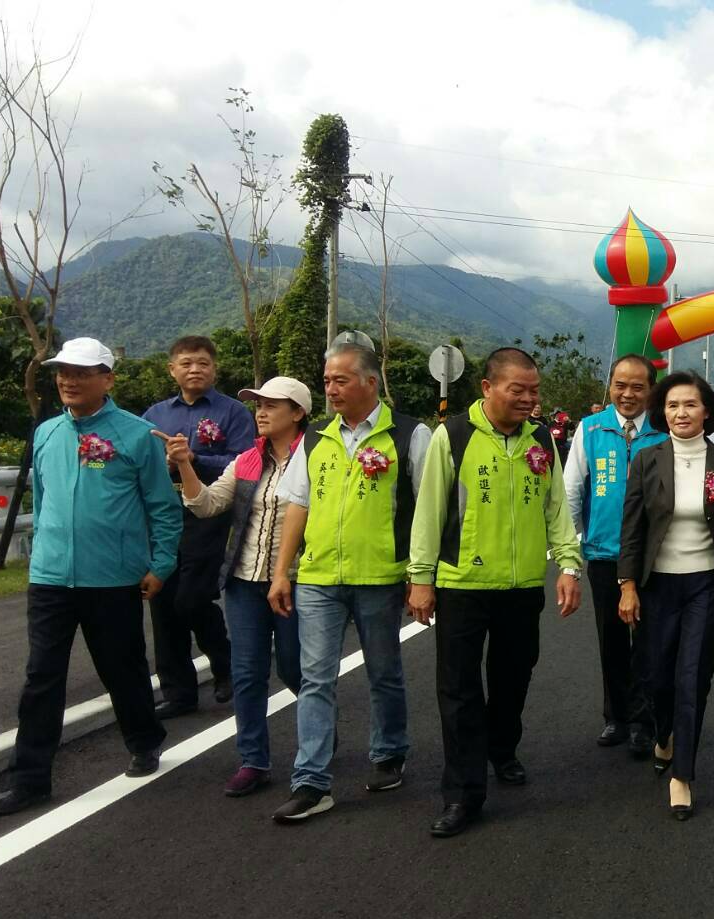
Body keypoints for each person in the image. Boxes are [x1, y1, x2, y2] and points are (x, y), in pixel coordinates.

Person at [0, 338, 178, 816]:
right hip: (50, 578)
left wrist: (162, 564)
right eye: (62, 371)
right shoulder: (46, 432)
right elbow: (44, 500)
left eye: (81, 371)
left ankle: (144, 738)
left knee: (122, 668)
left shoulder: (137, 435)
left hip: (112, 578)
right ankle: (29, 779)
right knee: (41, 679)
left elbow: (163, 507)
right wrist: (41, 557)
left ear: (107, 379)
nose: (68, 379)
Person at [409, 349, 583, 838]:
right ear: (487, 388)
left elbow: (556, 509)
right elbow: (430, 510)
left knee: (514, 677)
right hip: (462, 585)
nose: (529, 399)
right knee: (459, 689)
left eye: (533, 391)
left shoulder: (542, 440)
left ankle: (502, 750)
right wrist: (420, 576)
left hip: (523, 584)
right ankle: (463, 793)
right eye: (517, 390)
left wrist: (568, 564)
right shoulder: (454, 436)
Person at [267, 343, 432, 823]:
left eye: (341, 380)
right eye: (326, 381)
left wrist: (420, 574)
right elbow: (297, 503)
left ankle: (388, 752)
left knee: (384, 671)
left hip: (380, 576)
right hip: (318, 577)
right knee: (316, 676)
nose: (331, 389)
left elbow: (429, 507)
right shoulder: (316, 438)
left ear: (370, 383)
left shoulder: (407, 434)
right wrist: (282, 571)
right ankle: (311, 782)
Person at [618, 371, 714, 820]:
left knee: (693, 676)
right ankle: (664, 734)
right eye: (673, 405)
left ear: (707, 412)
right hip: (658, 585)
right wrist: (628, 585)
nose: (681, 413)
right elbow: (633, 527)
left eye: (690, 405)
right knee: (657, 676)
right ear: (664, 411)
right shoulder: (647, 459)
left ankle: (682, 774)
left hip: (707, 584)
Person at [176, 376, 311, 797]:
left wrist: (288, 573)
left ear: (298, 413)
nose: (262, 411)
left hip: (297, 583)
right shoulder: (247, 460)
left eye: (273, 404)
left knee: (295, 668)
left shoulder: (319, 458)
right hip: (243, 581)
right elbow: (207, 504)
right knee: (247, 673)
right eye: (259, 404)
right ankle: (253, 760)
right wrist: (184, 463)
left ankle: (318, 739)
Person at [142, 335, 254, 717]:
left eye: (203, 363)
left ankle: (224, 665)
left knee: (191, 597)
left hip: (209, 512)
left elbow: (244, 462)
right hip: (163, 515)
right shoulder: (153, 415)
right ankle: (178, 693)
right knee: (162, 600)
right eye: (186, 363)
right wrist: (167, 464)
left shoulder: (234, 412)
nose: (195, 369)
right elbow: (140, 463)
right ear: (172, 369)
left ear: (214, 368)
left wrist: (194, 459)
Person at [563, 354, 666, 755]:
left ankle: (644, 719)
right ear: (610, 386)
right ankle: (615, 716)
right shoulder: (590, 428)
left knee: (649, 639)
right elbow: (572, 490)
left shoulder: (662, 430)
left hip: (653, 557)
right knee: (611, 640)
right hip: (604, 553)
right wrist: (571, 554)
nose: (628, 394)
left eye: (637, 386)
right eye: (620, 385)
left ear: (651, 390)